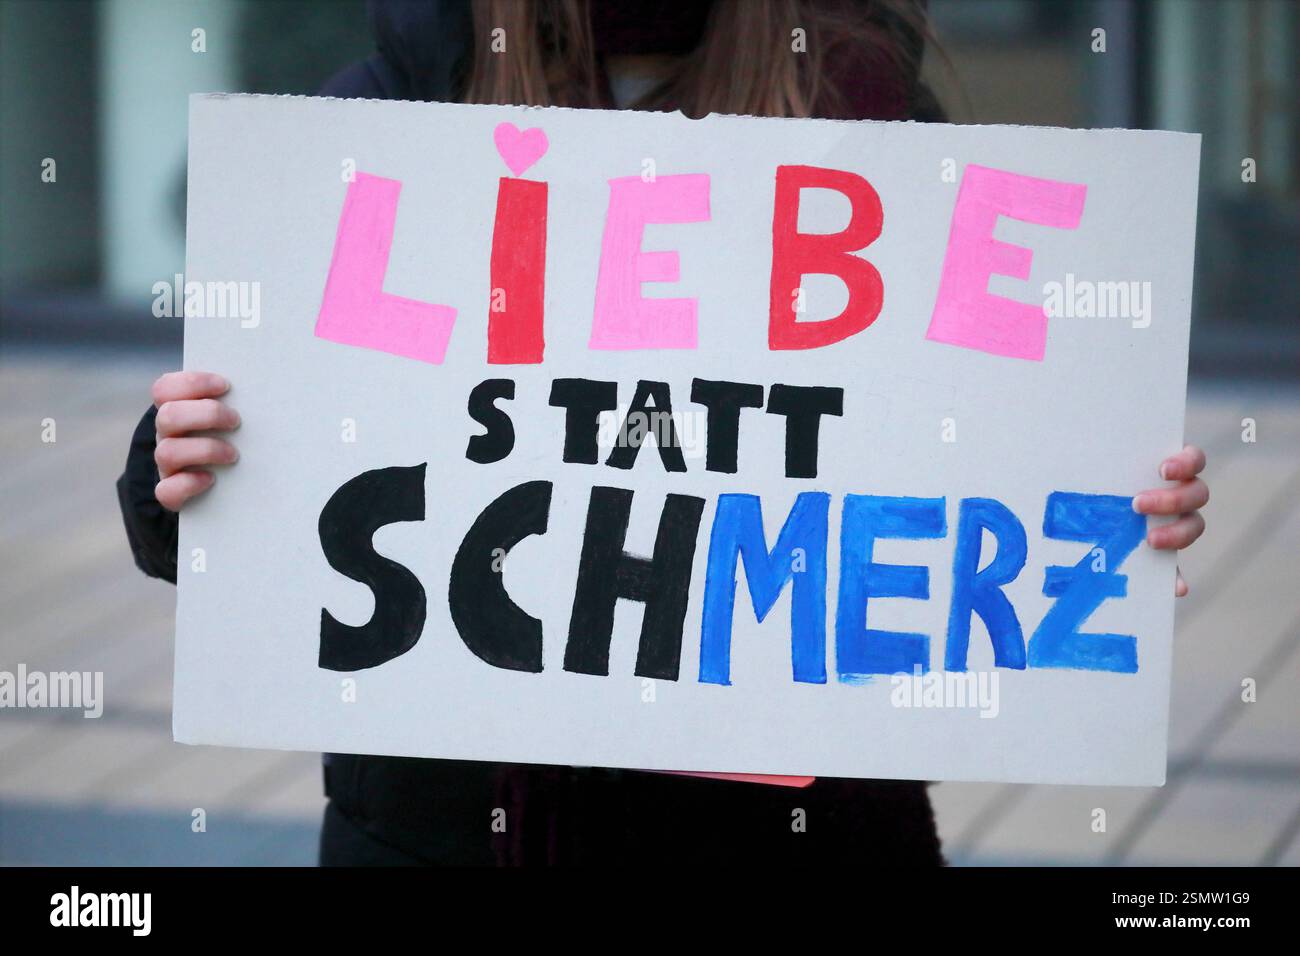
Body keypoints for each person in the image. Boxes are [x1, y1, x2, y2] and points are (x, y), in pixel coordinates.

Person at [117, 0, 1210, 866]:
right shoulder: (393, 108)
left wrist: (1112, 515)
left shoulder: (869, 117)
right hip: (438, 831)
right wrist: (178, 463)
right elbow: (224, 517)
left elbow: (972, 466)